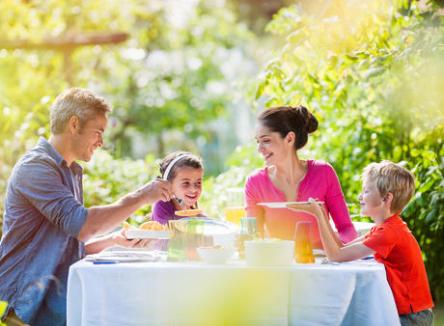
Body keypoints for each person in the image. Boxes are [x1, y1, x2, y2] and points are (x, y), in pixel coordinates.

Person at [0, 88, 172, 325]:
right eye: (98, 131)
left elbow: (70, 246)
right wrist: (143, 195)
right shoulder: (36, 168)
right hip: (24, 310)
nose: (101, 142)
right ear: (74, 124)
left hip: (53, 306)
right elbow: (83, 226)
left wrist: (114, 242)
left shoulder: (69, 171)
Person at [290, 161, 434, 325]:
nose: (360, 196)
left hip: (411, 317)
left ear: (386, 198)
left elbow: (336, 256)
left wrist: (317, 216)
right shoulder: (383, 228)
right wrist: (323, 213)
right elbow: (341, 248)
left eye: (366, 191)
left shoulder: (388, 233)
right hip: (408, 312)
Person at [245, 105, 358, 247]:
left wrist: (341, 247)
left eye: (266, 140)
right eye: (257, 141)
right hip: (279, 266)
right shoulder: (255, 182)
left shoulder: (323, 173)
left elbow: (346, 228)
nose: (259, 149)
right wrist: (246, 243)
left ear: (289, 139)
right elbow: (253, 236)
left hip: (323, 265)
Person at [152, 151, 204, 225]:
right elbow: (170, 233)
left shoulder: (192, 209)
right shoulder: (162, 205)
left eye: (198, 183)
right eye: (186, 183)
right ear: (168, 184)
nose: (194, 189)